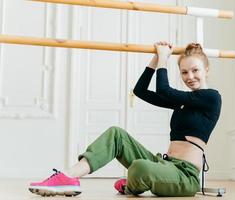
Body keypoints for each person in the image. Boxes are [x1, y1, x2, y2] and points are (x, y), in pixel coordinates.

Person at [28, 41, 222, 197]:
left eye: (195, 70)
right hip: (165, 165)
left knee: (139, 167)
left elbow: (164, 90)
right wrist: (155, 60)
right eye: (184, 72)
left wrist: (164, 58)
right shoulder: (182, 102)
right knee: (116, 134)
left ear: (207, 70)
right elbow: (140, 91)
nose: (190, 76)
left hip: (184, 176)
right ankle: (68, 177)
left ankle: (134, 183)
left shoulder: (212, 97)